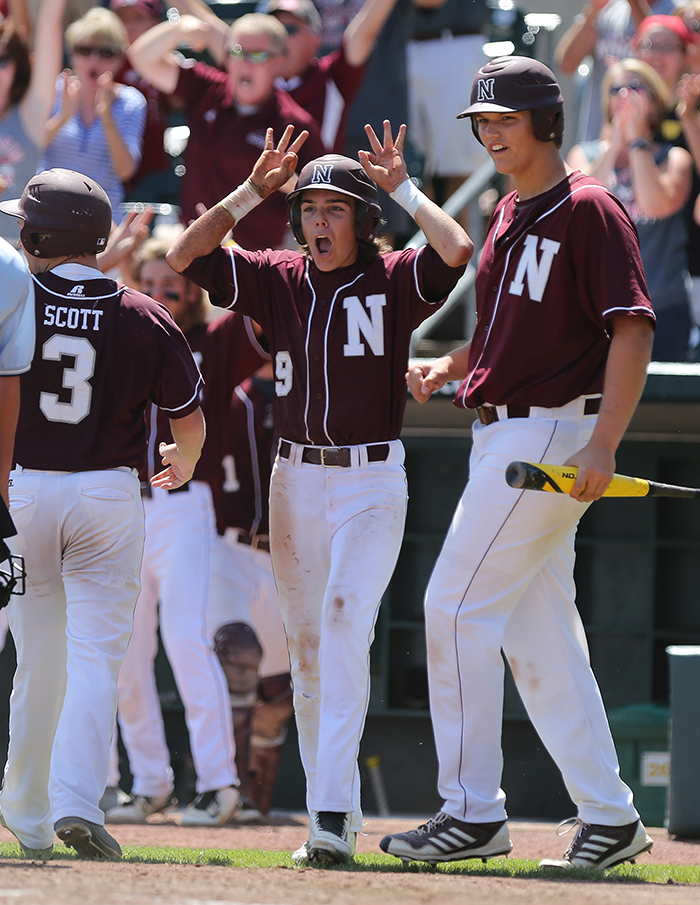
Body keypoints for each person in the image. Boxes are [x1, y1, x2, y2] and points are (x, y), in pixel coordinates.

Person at [166, 121, 472, 863]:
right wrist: (250, 193)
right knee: (306, 650)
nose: (319, 220)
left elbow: (457, 249)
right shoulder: (279, 273)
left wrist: (401, 188)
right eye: (310, 208)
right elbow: (185, 255)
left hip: (371, 476)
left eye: (336, 209)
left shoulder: (394, 276)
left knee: (341, 623)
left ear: (365, 222)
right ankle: (328, 810)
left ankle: (331, 815)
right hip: (294, 476)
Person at [379, 56, 657, 871]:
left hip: (546, 439)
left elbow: (632, 329)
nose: (491, 131)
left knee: (453, 607)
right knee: (543, 639)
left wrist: (604, 441)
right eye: (482, 122)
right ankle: (609, 816)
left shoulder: (591, 208)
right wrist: (452, 365)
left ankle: (471, 812)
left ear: (545, 120)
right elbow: (511, 335)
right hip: (501, 429)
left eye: (503, 118)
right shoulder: (507, 212)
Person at [0, 167, 205, 861]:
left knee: (36, 662)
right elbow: (189, 419)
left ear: (36, 234)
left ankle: (26, 815)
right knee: (94, 660)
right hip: (108, 496)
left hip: (25, 489)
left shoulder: (15, 292)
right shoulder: (144, 311)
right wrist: (188, 460)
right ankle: (77, 801)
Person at [105, 236, 269, 827]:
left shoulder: (212, 339)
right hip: (126, 503)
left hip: (184, 506)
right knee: (126, 652)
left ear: (194, 290)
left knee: (186, 642)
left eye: (171, 282)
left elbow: (267, 313)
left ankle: (220, 785)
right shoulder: (121, 330)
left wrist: (220, 244)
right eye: (148, 282)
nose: (160, 292)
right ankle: (149, 782)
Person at [127, 12, 326, 247]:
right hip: (193, 248)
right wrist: (179, 27)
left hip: (256, 262)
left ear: (279, 62)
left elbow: (321, 198)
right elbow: (141, 57)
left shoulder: (295, 125)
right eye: (237, 52)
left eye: (257, 55)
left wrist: (285, 180)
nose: (244, 62)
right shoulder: (206, 90)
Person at [206, 359, 293, 821]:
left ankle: (259, 801)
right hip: (230, 546)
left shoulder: (304, 379)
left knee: (279, 697)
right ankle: (228, 793)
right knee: (235, 659)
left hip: (288, 553)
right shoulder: (227, 388)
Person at [568, 58, 692, 361]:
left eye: (635, 88)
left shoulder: (674, 158)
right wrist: (613, 145)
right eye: (616, 90)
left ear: (654, 100)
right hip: (598, 307)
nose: (624, 96)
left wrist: (637, 142)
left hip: (662, 307)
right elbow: (578, 209)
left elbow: (656, 204)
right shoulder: (583, 154)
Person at [41, 7, 147, 223]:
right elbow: (29, 151)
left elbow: (125, 170)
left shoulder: (131, 102)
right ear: (72, 53)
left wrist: (107, 117)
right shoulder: (53, 91)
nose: (94, 60)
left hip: (101, 220)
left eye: (105, 53)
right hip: (48, 213)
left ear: (119, 59)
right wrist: (63, 116)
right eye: (84, 50)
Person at [265, 0, 399, 154]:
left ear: (315, 39)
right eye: (273, 32)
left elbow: (366, 33)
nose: (279, 39)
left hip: (317, 176)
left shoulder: (331, 75)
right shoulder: (252, 74)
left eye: (289, 29)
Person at [555, 0, 679, 144]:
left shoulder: (676, 10)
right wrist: (594, 10)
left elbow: (661, 64)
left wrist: (635, 5)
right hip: (599, 137)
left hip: (651, 140)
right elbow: (567, 65)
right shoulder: (609, 8)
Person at [407, 0, 491, 207]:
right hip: (397, 45)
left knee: (460, 170)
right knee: (404, 166)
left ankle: (462, 239)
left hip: (454, 44)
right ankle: (429, 238)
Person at [0, 0, 66, 244]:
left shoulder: (29, 117)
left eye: (3, 61)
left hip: (17, 255)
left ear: (18, 66)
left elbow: (50, 26)